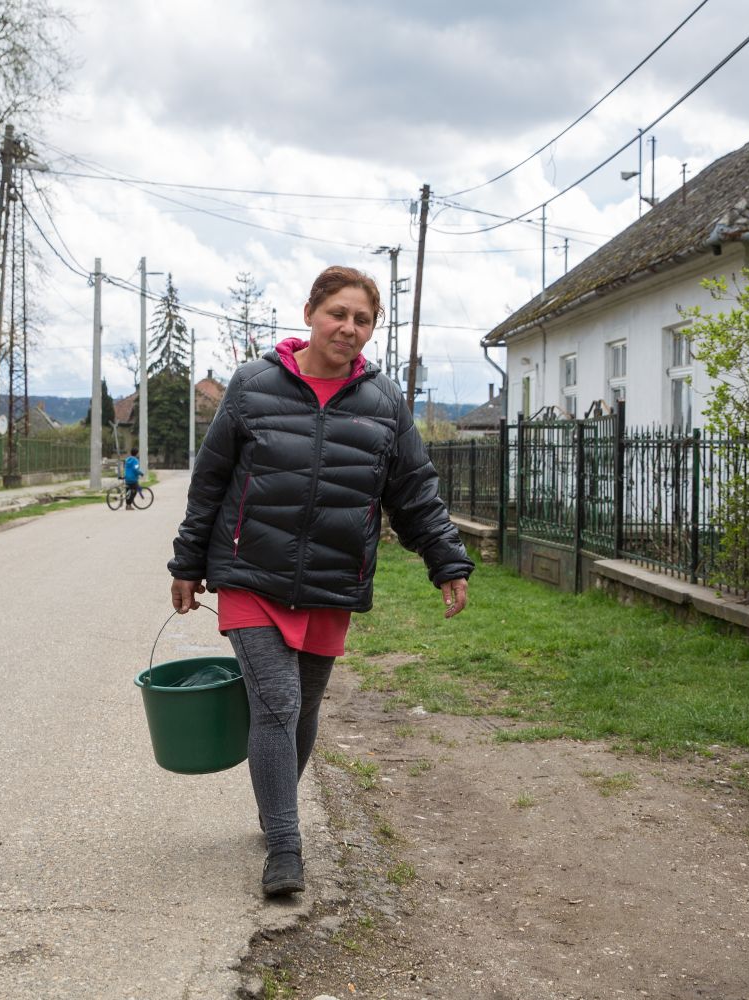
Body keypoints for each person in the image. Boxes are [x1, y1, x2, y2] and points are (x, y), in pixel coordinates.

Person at [168, 265, 472, 899]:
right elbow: (211, 481)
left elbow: (414, 494)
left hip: (332, 578)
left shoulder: (384, 404)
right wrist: (188, 564)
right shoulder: (254, 386)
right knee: (276, 703)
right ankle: (285, 846)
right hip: (250, 574)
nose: (349, 328)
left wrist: (446, 561)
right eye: (339, 313)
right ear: (310, 312)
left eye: (363, 319)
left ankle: (272, 806)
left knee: (302, 708)